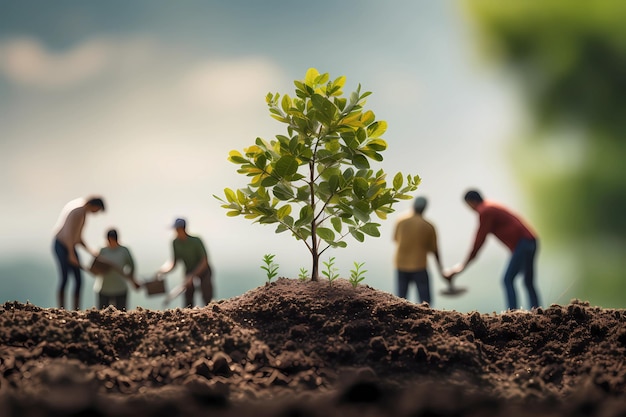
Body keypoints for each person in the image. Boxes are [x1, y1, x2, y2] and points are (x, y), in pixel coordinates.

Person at [448, 189, 540, 310]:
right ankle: (537, 310)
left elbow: (479, 240)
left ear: (471, 202)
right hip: (531, 241)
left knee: (507, 279)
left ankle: (513, 313)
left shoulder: (485, 211)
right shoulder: (490, 205)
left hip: (522, 243)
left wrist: (461, 267)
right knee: (528, 281)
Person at [52, 196, 105, 310]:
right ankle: (61, 309)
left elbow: (78, 237)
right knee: (65, 277)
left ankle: (76, 310)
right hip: (62, 244)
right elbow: (68, 234)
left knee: (78, 279)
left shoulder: (83, 213)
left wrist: (91, 251)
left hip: (69, 246)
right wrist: (71, 254)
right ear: (94, 206)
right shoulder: (78, 211)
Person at [393, 196, 447, 305]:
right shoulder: (428, 226)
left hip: (401, 263)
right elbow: (434, 250)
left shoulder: (401, 221)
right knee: (425, 301)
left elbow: (395, 239)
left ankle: (399, 320)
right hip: (419, 265)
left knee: (400, 299)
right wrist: (441, 269)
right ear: (425, 208)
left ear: (413, 206)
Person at [158, 218, 213, 307]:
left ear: (182, 229)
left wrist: (193, 275)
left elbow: (204, 261)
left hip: (203, 270)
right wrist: (163, 271)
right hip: (189, 270)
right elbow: (174, 262)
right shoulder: (175, 243)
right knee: (188, 296)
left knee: (207, 295)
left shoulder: (196, 241)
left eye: (177, 229)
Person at [93, 228, 140, 310]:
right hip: (104, 288)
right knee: (102, 315)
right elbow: (95, 268)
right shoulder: (102, 251)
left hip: (120, 288)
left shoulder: (124, 251)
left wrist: (131, 278)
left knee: (121, 314)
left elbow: (132, 266)